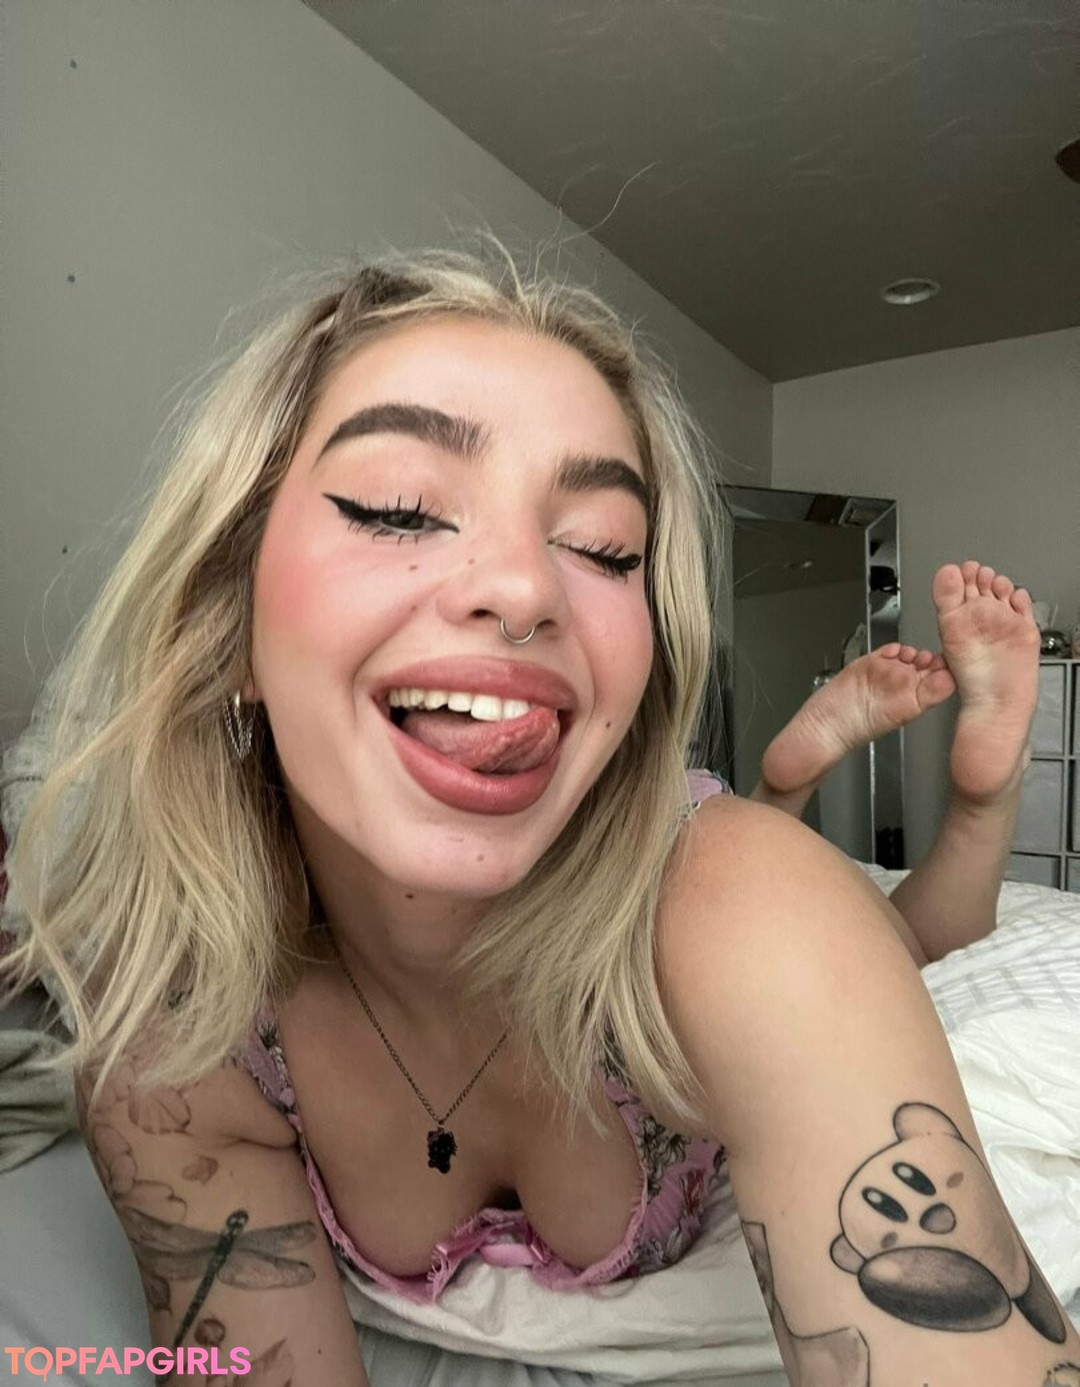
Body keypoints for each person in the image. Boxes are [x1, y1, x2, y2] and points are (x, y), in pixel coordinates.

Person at [3, 251, 1076, 1387]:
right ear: (228, 621)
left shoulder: (740, 908)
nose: (527, 589)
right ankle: (791, 785)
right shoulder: (172, 1044)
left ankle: (969, 798)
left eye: (603, 548)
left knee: (896, 940)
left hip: (708, 879)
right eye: (400, 508)